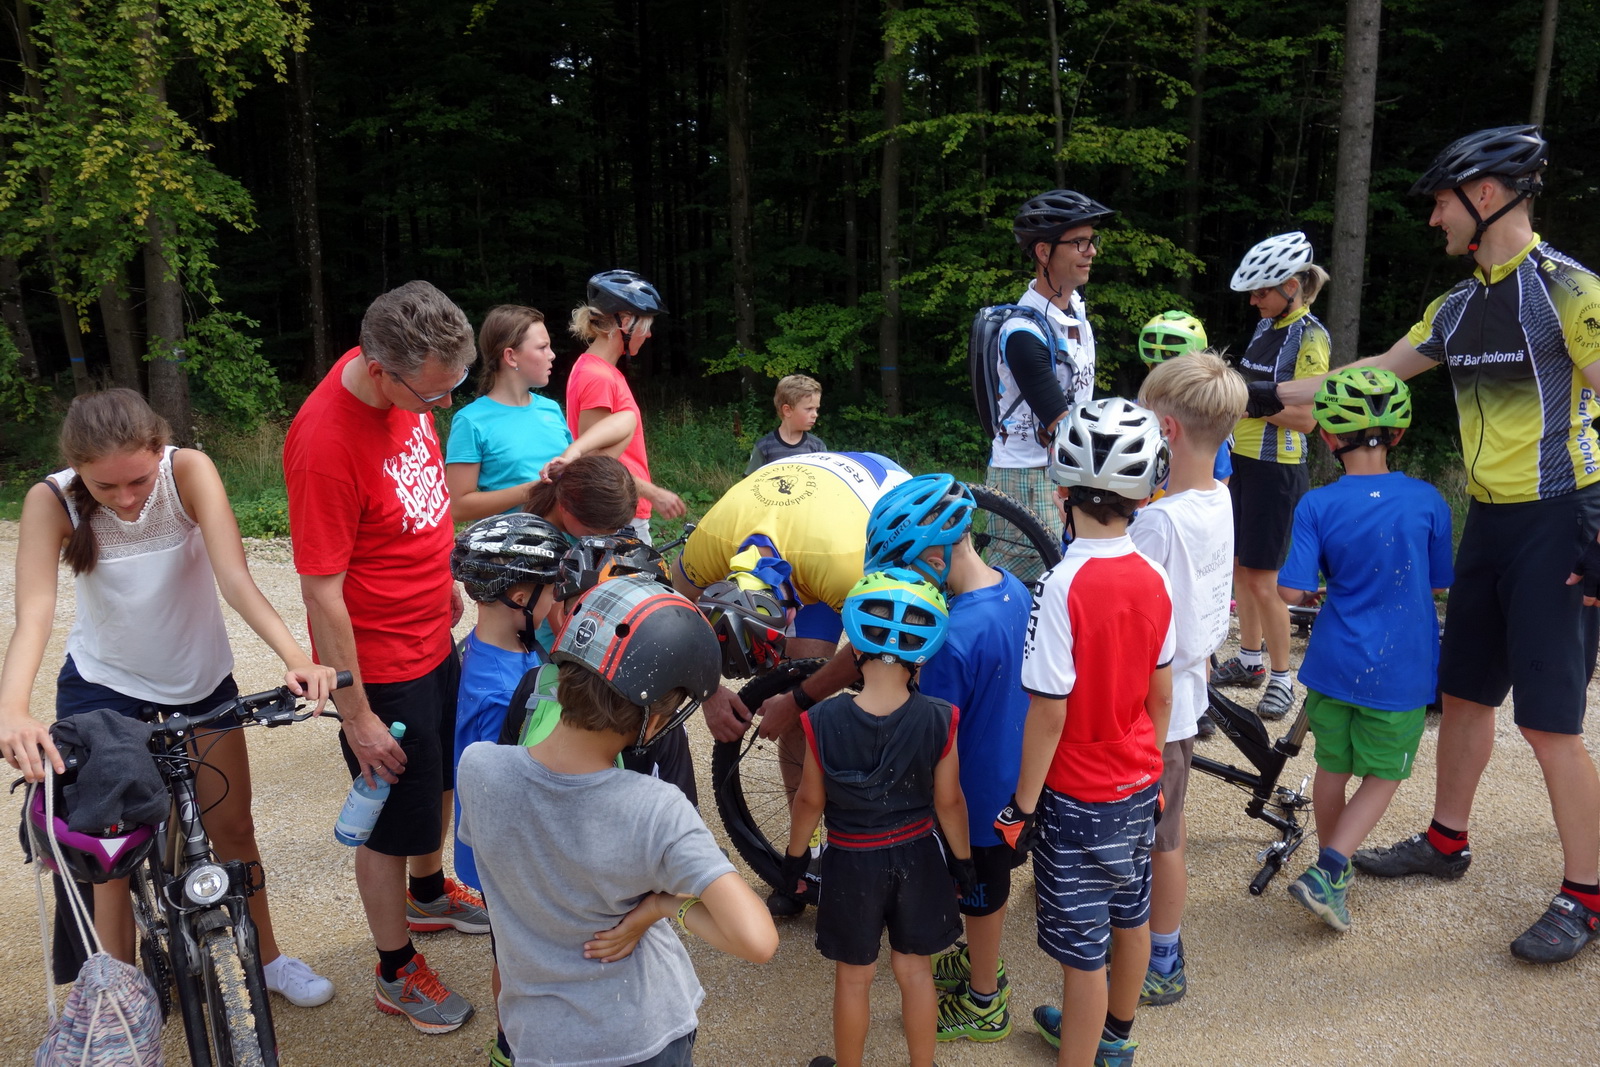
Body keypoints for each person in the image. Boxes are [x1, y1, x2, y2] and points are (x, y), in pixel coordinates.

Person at [1272, 125, 1600, 963]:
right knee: (1464, 694)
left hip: (1564, 515)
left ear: (1485, 196)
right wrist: (1246, 388)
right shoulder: (1456, 307)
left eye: (1441, 203)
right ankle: (1446, 840)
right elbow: (1366, 373)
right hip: (1489, 518)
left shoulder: (1569, 291)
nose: (1433, 221)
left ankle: (1587, 894)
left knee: (1553, 724)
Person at [0, 388, 339, 1008]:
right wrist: (12, 710)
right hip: (103, 686)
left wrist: (296, 657)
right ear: (78, 470)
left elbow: (236, 578)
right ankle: (119, 997)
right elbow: (35, 614)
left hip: (197, 679)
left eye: (136, 479)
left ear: (159, 448)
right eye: (105, 488)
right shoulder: (51, 500)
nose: (126, 499)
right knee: (113, 846)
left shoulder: (188, 470)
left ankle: (268, 959)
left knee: (232, 824)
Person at [457, 575, 778, 1067]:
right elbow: (757, 940)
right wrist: (662, 906)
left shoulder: (479, 768)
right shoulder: (656, 809)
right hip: (642, 1036)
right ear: (651, 719)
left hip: (539, 1040)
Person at [283, 280, 485, 1033]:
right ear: (379, 367)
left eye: (452, 386)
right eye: (431, 394)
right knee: (390, 820)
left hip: (431, 634)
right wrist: (356, 711)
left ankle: (429, 894)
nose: (440, 406)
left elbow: (422, 505)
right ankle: (395, 968)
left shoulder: (409, 391)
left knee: (438, 785)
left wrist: (444, 584)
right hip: (379, 666)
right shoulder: (325, 440)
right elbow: (322, 592)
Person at [995, 397, 1174, 1067]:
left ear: (1063, 491)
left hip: (1075, 796)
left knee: (1081, 954)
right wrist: (1149, 769)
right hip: (1137, 783)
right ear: (1145, 493)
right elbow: (1161, 692)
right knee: (1131, 917)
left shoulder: (1060, 584)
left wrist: (1023, 804)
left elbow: (1049, 712)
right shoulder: (1155, 577)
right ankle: (1115, 1040)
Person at [672, 450, 910, 910]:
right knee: (801, 700)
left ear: (791, 608)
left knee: (891, 681)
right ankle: (809, 849)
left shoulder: (845, 567)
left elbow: (877, 647)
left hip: (865, 502)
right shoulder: (710, 544)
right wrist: (708, 691)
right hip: (795, 521)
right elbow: (671, 614)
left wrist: (798, 696)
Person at [1276, 368, 1453, 932]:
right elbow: (1436, 583)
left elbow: (1290, 591)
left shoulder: (1316, 505)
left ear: (1328, 437)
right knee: (1384, 774)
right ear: (1396, 435)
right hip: (1398, 669)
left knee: (1333, 767)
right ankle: (1330, 868)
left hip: (1333, 661)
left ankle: (1334, 872)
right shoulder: (1429, 501)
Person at [780, 570, 972, 1067]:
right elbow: (950, 802)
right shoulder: (940, 717)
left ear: (856, 647)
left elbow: (808, 802)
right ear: (922, 652)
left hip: (851, 861)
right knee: (914, 972)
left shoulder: (820, 720)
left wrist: (794, 861)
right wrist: (964, 862)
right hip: (918, 856)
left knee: (854, 977)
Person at [862, 477, 1029, 1044]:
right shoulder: (1013, 590)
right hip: (1009, 779)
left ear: (935, 555)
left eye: (907, 567)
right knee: (988, 889)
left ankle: (986, 1000)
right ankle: (980, 967)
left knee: (981, 898)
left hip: (974, 797)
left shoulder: (952, 636)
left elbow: (932, 728)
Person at [1124, 353, 1246, 1007]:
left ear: (1165, 429)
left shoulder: (1158, 522)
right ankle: (1158, 944)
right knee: (1166, 833)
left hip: (1152, 707)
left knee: (1157, 838)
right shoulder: (1217, 496)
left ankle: (1160, 956)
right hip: (1185, 694)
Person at [1211, 232, 1330, 724]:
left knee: (1264, 581)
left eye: (1261, 292)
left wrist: (1247, 400)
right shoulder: (1265, 328)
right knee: (1242, 570)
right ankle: (1251, 661)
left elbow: (1307, 419)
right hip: (1242, 462)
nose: (1254, 302)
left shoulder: (1311, 336)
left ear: (1290, 286)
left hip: (1278, 470)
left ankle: (1283, 679)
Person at [986, 189, 1115, 582]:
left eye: (1092, 240)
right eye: (1078, 242)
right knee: (1022, 589)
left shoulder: (1075, 308)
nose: (1091, 250)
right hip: (1028, 475)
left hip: (1067, 467)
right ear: (1044, 252)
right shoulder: (1023, 333)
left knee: (1064, 584)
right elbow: (1060, 420)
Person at [551, 270, 686, 542]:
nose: (648, 336)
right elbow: (597, 463)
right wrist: (654, 493)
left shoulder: (599, 370)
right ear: (625, 321)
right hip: (618, 512)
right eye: (646, 325)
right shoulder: (597, 377)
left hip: (624, 508)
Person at [445, 305, 573, 522]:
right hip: (512, 552)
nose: (552, 355)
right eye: (542, 347)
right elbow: (458, 507)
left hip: (571, 549)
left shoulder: (550, 409)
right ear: (511, 357)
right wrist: (534, 490)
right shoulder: (471, 421)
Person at [745, 373, 826, 474]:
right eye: (809, 409)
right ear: (787, 410)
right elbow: (750, 484)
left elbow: (823, 481)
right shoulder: (764, 447)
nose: (815, 414)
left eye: (816, 409)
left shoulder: (817, 447)